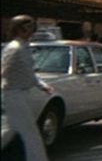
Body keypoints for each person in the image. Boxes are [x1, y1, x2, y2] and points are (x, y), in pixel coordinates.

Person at [1, 15, 54, 161]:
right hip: (13, 94)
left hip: (21, 94)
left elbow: (29, 73)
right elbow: (3, 70)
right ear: (19, 29)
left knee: (10, 130)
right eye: (28, 27)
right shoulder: (14, 48)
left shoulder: (24, 47)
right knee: (30, 132)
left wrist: (42, 85)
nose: (32, 30)